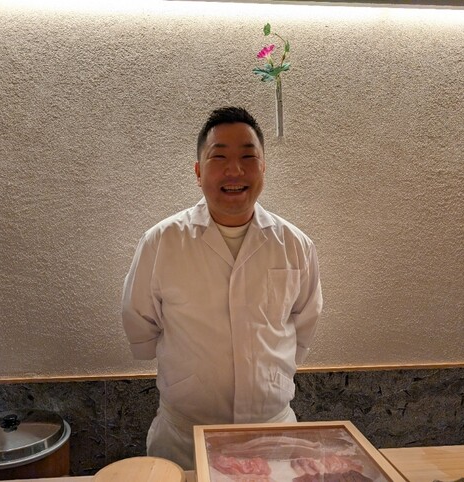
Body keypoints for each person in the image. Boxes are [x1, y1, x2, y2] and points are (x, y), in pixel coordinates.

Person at [121, 106, 323, 470]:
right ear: (198, 171)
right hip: (184, 439)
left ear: (264, 168)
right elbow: (140, 324)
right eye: (219, 157)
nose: (234, 171)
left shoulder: (296, 245)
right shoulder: (162, 242)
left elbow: (303, 323)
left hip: (272, 435)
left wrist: (268, 375)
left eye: (248, 157)